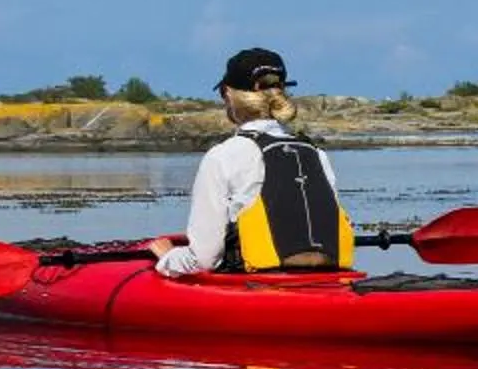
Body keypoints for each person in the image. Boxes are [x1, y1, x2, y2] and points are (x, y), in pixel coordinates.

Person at [150, 47, 354, 278]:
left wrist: (168, 257)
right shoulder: (317, 154)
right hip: (327, 284)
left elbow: (203, 259)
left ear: (228, 94)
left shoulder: (223, 156)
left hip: (260, 290)